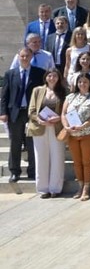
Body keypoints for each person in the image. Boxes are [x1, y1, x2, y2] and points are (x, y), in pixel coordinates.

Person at [0, 48, 46, 182]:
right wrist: (3, 112)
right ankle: (15, 171)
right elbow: (4, 95)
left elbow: (42, 95)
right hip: (15, 113)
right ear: (18, 57)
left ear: (31, 57)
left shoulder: (39, 73)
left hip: (32, 113)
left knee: (32, 143)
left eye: (27, 56)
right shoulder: (10, 74)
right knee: (15, 143)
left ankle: (33, 171)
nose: (25, 58)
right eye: (22, 56)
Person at [61, 73, 90, 200]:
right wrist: (66, 126)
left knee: (87, 161)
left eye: (85, 82)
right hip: (72, 134)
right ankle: (80, 185)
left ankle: (86, 188)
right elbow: (63, 113)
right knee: (77, 162)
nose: (82, 84)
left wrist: (83, 125)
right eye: (80, 82)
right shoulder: (70, 97)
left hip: (89, 133)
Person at [27, 67, 66, 198]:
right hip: (40, 127)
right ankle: (43, 189)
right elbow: (31, 110)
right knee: (41, 158)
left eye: (55, 76)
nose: (52, 78)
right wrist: (39, 120)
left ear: (59, 78)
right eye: (49, 76)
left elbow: (68, 110)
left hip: (57, 127)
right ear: (45, 77)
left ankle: (55, 188)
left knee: (57, 157)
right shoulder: (37, 90)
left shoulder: (63, 91)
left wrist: (59, 117)